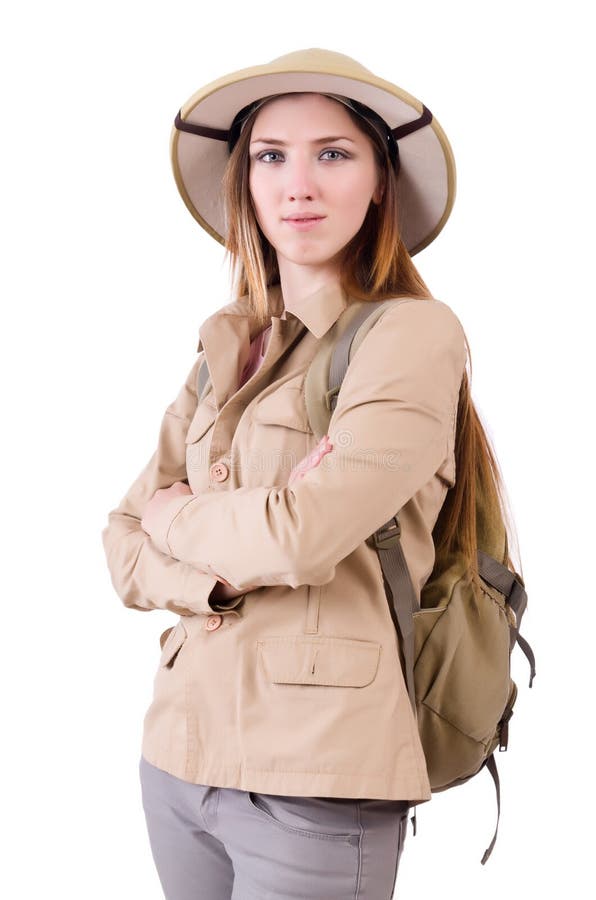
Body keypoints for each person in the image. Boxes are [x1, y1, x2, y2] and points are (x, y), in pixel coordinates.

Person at [101, 47, 487, 899]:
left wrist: (181, 518)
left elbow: (302, 536)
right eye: (271, 156)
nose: (297, 184)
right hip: (178, 759)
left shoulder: (411, 336)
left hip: (316, 779)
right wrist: (227, 559)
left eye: (333, 154)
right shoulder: (225, 346)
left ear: (381, 181)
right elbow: (119, 544)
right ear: (245, 180)